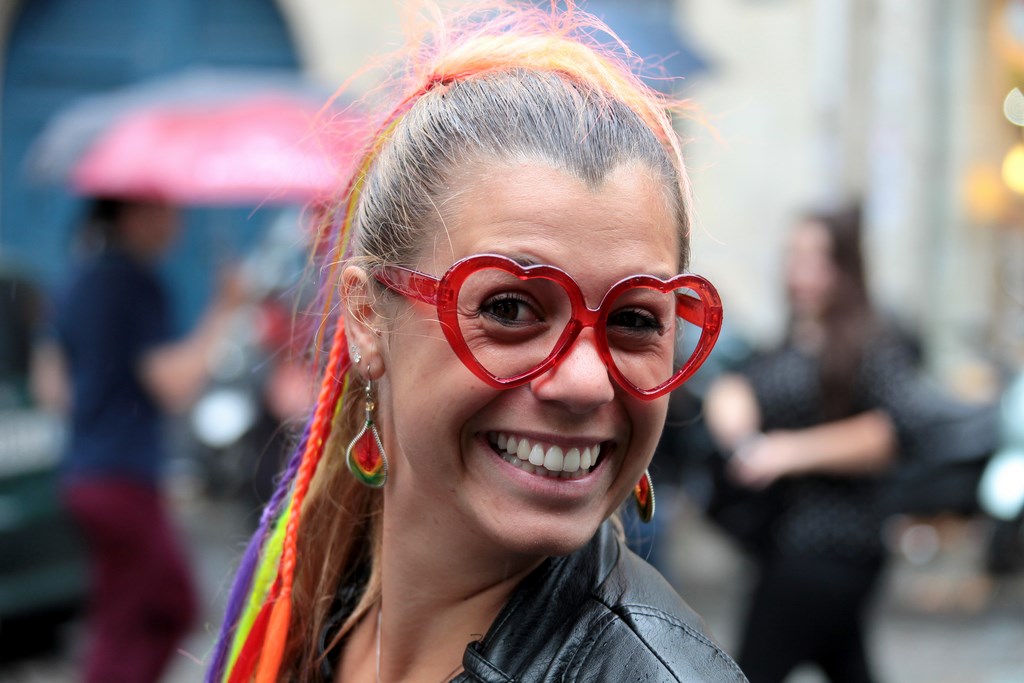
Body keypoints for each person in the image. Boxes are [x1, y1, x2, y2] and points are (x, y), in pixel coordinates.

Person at [207, 2, 747, 682]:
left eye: (635, 320)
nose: (585, 381)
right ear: (369, 316)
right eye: (511, 306)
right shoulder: (310, 614)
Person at [704, 205, 923, 683]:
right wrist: (734, 405)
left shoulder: (870, 341)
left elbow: (891, 431)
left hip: (831, 545)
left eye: (816, 258)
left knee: (748, 671)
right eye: (794, 256)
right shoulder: (788, 342)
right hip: (787, 540)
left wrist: (787, 451)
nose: (799, 271)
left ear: (845, 266)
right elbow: (744, 397)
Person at [34, 196, 244, 683]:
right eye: (166, 209)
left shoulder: (77, 278)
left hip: (85, 474)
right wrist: (223, 309)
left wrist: (102, 397)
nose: (177, 221)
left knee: (148, 606)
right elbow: (172, 385)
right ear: (133, 214)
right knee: (152, 608)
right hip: (121, 475)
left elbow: (52, 386)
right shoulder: (136, 282)